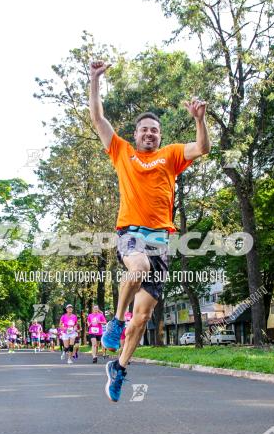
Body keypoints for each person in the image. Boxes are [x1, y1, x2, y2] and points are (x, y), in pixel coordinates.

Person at [89, 59, 210, 402]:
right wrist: (95, 79)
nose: (149, 134)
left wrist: (200, 120)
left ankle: (119, 368)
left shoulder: (171, 156)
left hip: (161, 240)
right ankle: (114, 321)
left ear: (159, 136)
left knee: (141, 318)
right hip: (130, 231)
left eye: (154, 131)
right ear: (136, 132)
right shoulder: (122, 151)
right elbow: (98, 119)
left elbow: (202, 148)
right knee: (138, 269)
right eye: (144, 129)